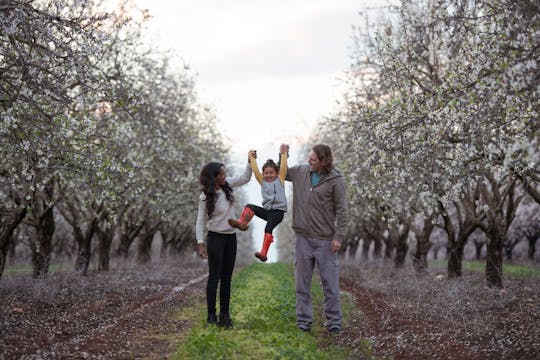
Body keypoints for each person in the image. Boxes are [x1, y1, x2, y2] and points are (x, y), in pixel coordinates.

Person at [281, 143, 348, 334]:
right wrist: (283, 155)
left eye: (313, 158)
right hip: (303, 238)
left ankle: (334, 321)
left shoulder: (336, 180)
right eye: (309, 156)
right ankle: (304, 321)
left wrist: (339, 236)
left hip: (326, 240)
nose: (309, 160)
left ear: (323, 161)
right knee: (302, 283)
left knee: (330, 284)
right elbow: (283, 173)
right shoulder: (301, 171)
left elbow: (342, 210)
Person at [196, 151, 254, 328]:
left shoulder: (228, 185)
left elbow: (245, 178)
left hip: (230, 238)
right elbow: (200, 222)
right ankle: (211, 316)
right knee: (214, 277)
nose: (225, 175)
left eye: (225, 173)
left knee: (227, 278)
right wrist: (200, 243)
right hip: (215, 238)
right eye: (221, 174)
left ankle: (225, 315)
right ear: (213, 177)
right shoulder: (206, 196)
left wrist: (250, 162)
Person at [228, 149, 288, 261]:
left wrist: (284, 154)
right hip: (267, 212)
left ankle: (264, 253)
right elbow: (255, 171)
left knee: (268, 228)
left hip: (278, 212)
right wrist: (251, 158)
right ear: (263, 174)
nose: (268, 175)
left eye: (271, 173)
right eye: (266, 173)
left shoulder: (280, 179)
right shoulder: (262, 181)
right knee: (250, 206)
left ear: (277, 173)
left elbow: (283, 167)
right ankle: (242, 223)